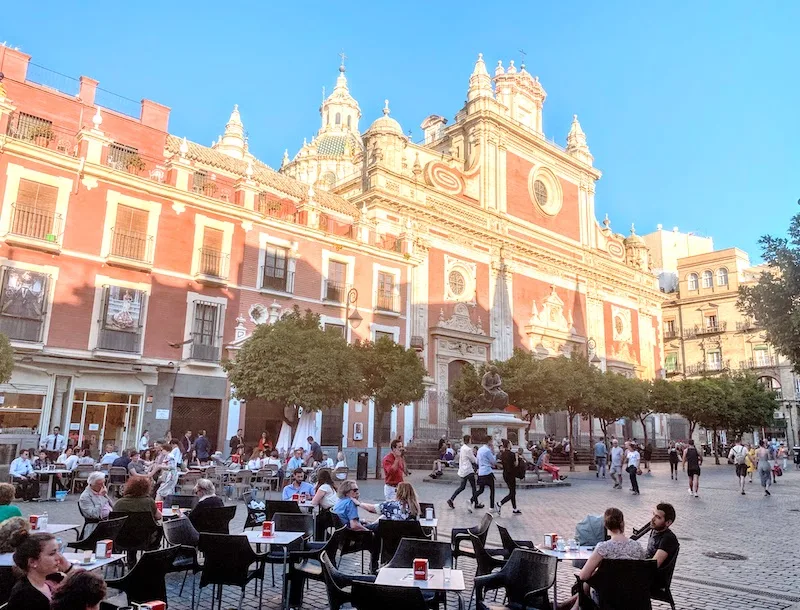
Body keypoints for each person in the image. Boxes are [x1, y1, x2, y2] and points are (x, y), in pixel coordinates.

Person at [558, 507, 645, 610]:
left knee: (587, 584)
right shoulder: (638, 547)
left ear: (605, 525)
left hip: (608, 597)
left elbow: (583, 576)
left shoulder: (603, 548)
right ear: (622, 523)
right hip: (633, 596)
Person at [7, 530, 76, 610]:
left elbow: (86, 591)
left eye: (58, 551)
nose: (59, 557)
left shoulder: (54, 580)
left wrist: (68, 569)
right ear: (32, 562)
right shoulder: (25, 596)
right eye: (52, 554)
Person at [645, 502, 680, 592]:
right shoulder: (655, 530)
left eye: (658, 517)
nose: (653, 519)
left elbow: (654, 564)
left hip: (656, 580)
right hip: (647, 574)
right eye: (654, 515)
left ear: (668, 522)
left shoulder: (668, 538)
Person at [448, 434, 478, 511]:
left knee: (462, 487)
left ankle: (451, 499)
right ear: (469, 440)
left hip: (463, 470)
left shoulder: (462, 448)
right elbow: (473, 460)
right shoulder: (468, 449)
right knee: (474, 487)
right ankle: (475, 503)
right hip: (469, 470)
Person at [472, 439, 497, 511]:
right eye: (491, 441)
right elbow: (493, 462)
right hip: (488, 472)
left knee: (481, 490)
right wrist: (493, 453)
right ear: (489, 442)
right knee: (492, 490)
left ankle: (471, 500)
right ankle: (491, 507)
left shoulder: (479, 450)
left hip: (481, 472)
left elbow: (477, 461)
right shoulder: (488, 451)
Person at [498, 439, 521, 515]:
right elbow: (516, 464)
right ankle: (500, 503)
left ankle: (514, 508)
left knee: (512, 491)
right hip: (511, 474)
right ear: (508, 445)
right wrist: (517, 457)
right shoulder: (512, 454)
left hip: (505, 474)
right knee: (512, 492)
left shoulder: (503, 454)